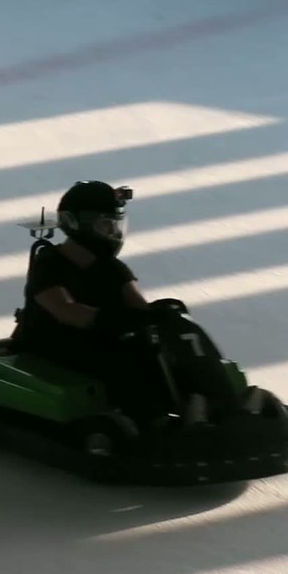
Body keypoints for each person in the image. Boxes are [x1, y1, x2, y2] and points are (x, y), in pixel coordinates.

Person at [13, 180, 213, 426]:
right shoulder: (50, 265)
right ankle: (155, 423)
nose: (114, 234)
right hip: (54, 341)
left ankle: (205, 402)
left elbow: (137, 304)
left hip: (99, 336)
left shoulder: (112, 268)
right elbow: (65, 310)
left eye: (116, 226)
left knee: (158, 351)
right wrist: (113, 320)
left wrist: (159, 315)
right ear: (76, 224)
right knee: (121, 366)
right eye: (106, 226)